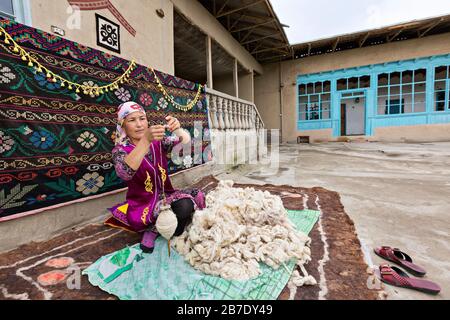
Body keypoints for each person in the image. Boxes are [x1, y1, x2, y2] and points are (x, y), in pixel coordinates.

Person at [108, 101, 205, 253]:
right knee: (158, 218)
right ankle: (153, 229)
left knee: (186, 204)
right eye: (132, 120)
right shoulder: (120, 150)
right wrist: (145, 141)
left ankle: (169, 228)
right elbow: (125, 174)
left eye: (142, 118)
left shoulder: (158, 141)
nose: (139, 124)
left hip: (166, 195)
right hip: (143, 204)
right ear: (123, 125)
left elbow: (185, 142)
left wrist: (178, 130)